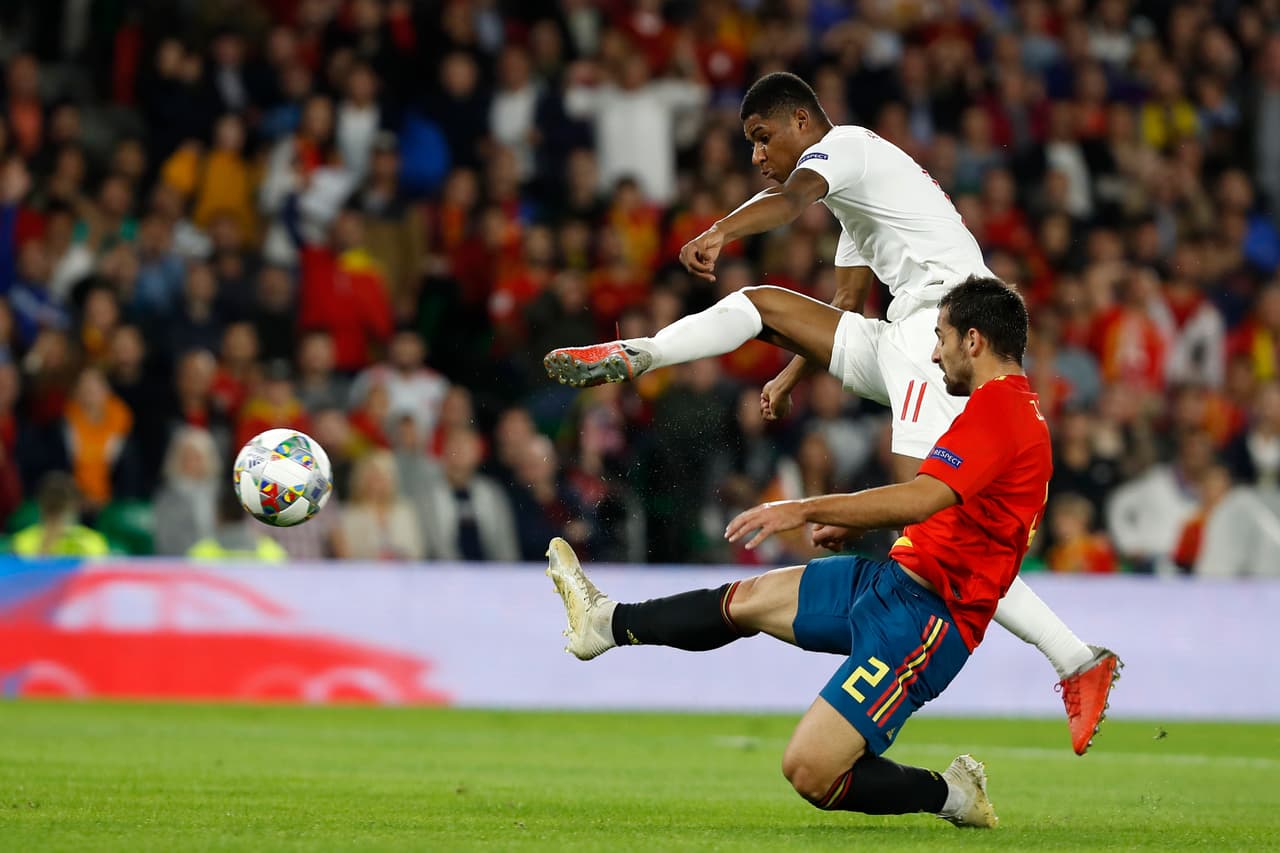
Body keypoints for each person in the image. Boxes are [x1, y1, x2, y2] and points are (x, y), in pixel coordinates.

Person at [544, 72, 1118, 755]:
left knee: (932, 514)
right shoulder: (857, 194)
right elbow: (845, 302)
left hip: (946, 326)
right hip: (906, 331)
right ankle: (639, 353)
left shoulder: (843, 149)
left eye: (763, 138)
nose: (757, 154)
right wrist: (792, 371)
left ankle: (1075, 657)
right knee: (760, 305)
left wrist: (719, 230)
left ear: (800, 123)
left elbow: (788, 203)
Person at [547, 279, 1057, 827]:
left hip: (929, 621)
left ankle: (953, 795)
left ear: (974, 341)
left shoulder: (1001, 415)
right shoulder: (1001, 410)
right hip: (895, 581)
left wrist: (806, 509)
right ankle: (605, 624)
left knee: (811, 771)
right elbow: (953, 509)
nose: (935, 353)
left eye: (942, 338)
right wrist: (845, 522)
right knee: (748, 599)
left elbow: (920, 495)